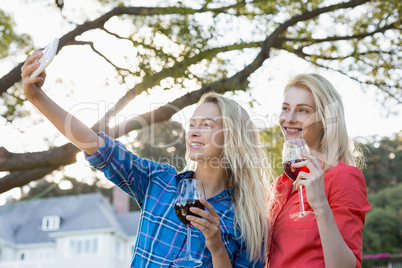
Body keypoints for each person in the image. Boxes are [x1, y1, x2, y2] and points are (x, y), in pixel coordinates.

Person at [21, 51, 273, 267]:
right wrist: (35, 97)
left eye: (206, 125)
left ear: (233, 138)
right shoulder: (158, 181)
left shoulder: (248, 221)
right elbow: (93, 143)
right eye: (192, 124)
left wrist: (216, 247)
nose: (193, 131)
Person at [266, 73, 371, 268]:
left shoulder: (343, 177)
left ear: (325, 120)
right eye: (285, 108)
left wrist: (320, 205)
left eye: (302, 110)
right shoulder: (279, 185)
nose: (289, 118)